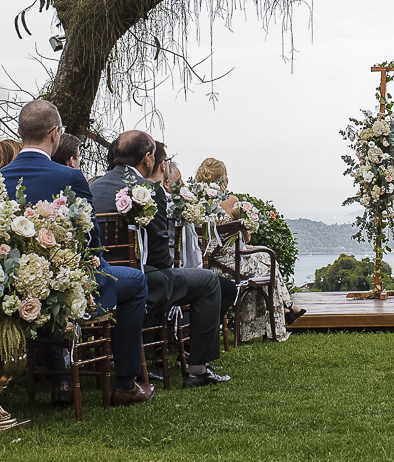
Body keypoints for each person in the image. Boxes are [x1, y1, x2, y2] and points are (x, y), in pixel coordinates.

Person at [0, 101, 153, 406]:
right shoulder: (70, 177)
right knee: (135, 282)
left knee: (45, 287)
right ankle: (124, 383)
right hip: (71, 281)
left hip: (12, 285)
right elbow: (91, 239)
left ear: (19, 132)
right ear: (55, 134)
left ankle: (61, 378)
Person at [93, 131, 229, 387]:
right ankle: (198, 368)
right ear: (147, 158)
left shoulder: (94, 187)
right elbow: (159, 257)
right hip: (143, 281)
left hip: (104, 278)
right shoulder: (148, 190)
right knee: (209, 281)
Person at [194, 157, 300, 338]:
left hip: (208, 267)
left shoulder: (194, 204)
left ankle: (288, 308)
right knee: (269, 260)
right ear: (222, 178)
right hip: (234, 268)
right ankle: (286, 309)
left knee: (265, 258)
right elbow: (246, 238)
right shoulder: (232, 202)